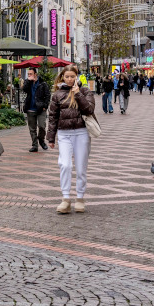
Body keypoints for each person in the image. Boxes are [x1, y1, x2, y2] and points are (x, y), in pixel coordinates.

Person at [47, 64, 96, 214]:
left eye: (72, 77)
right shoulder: (57, 95)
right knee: (65, 165)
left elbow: (89, 109)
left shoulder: (85, 91)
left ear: (77, 77)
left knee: (81, 168)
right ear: (62, 77)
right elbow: (53, 117)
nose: (69, 79)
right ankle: (66, 198)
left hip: (81, 133)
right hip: (64, 134)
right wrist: (51, 137)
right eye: (67, 77)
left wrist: (78, 94)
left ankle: (80, 198)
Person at [22, 69, 49, 152]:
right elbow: (24, 89)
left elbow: (48, 95)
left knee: (42, 126)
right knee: (32, 129)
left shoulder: (42, 84)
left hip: (41, 109)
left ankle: (41, 140)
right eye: (28, 74)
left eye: (31, 74)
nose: (29, 75)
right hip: (30, 108)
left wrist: (45, 106)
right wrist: (27, 81)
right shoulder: (28, 83)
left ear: (35, 74)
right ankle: (35, 145)